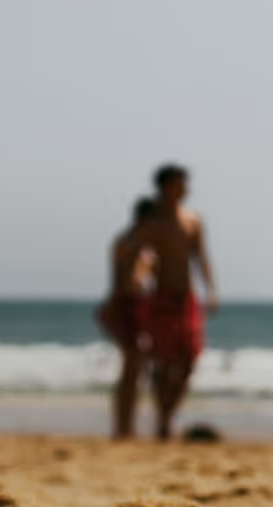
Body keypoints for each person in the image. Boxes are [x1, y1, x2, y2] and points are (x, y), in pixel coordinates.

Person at [129, 164, 219, 440]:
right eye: (180, 183)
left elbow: (201, 257)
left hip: (187, 299)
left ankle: (167, 415)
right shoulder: (152, 222)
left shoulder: (193, 221)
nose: (186, 189)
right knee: (163, 362)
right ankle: (164, 420)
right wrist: (138, 277)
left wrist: (211, 289)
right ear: (165, 186)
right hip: (161, 298)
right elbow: (143, 255)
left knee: (190, 357)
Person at [98, 196, 157, 439]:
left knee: (131, 369)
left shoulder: (124, 241)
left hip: (121, 306)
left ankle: (123, 425)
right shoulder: (139, 246)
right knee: (132, 369)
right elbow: (134, 282)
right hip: (128, 307)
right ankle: (124, 426)